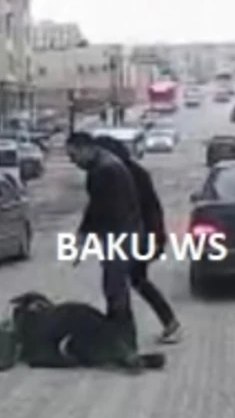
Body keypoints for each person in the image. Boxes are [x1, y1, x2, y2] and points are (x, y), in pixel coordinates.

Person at [90, 135, 182, 343]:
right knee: (132, 280)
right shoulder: (125, 172)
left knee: (123, 281)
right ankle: (166, 323)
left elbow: (147, 209)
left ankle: (124, 331)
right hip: (137, 236)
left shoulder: (126, 174)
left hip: (139, 236)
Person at [64, 132, 143, 359]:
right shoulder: (104, 164)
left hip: (121, 234)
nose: (72, 161)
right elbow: (95, 207)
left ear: (85, 148)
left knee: (115, 287)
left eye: (73, 155)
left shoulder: (104, 170)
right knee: (114, 286)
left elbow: (101, 210)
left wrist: (85, 239)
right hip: (123, 231)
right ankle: (121, 340)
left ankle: (124, 343)